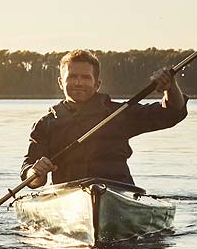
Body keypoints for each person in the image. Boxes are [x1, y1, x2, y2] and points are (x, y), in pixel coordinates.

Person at [21, 49, 187, 188]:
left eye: (86, 77)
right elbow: (32, 179)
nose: (78, 82)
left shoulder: (120, 113)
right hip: (67, 198)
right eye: (72, 77)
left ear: (97, 84)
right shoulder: (45, 125)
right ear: (61, 82)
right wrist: (35, 172)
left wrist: (170, 88)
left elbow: (171, 114)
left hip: (118, 193)